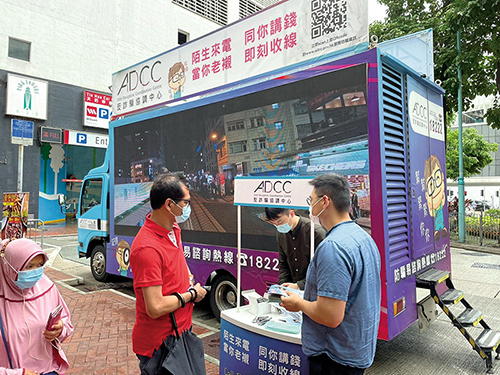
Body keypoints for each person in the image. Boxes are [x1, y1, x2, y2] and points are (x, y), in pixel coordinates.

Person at [280, 173, 381, 375]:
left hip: (334, 358)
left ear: (325, 201)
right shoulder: (363, 236)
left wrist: (298, 304)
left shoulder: (333, 247)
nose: (310, 206)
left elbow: (331, 316)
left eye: (311, 200)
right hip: (355, 350)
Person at [130, 174, 207, 372]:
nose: (189, 207)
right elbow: (154, 307)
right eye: (186, 202)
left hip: (180, 334)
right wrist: (191, 295)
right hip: (160, 346)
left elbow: (179, 262)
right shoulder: (147, 248)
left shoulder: (173, 229)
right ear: (169, 204)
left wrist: (188, 281)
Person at [0, 238, 73, 375]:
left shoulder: (47, 288)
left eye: (40, 265)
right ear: (10, 267)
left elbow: (66, 323)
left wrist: (59, 329)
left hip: (49, 370)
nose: (35, 272)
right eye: (29, 266)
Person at [263, 208, 326, 290]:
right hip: (293, 291)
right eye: (274, 224)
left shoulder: (315, 232)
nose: (278, 226)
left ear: (291, 214)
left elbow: (323, 269)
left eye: (280, 221)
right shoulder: (281, 233)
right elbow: (283, 264)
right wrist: (282, 286)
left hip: (315, 290)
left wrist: (299, 285)